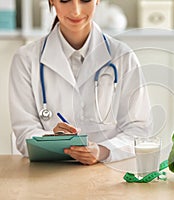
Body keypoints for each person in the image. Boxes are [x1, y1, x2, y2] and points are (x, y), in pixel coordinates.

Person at [9, 0, 152, 165]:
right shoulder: (26, 59)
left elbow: (140, 130)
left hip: (108, 174)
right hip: (48, 173)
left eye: (85, 0)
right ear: (51, 1)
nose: (76, 11)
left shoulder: (123, 57)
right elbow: (24, 134)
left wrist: (102, 151)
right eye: (65, 0)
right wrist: (52, 140)